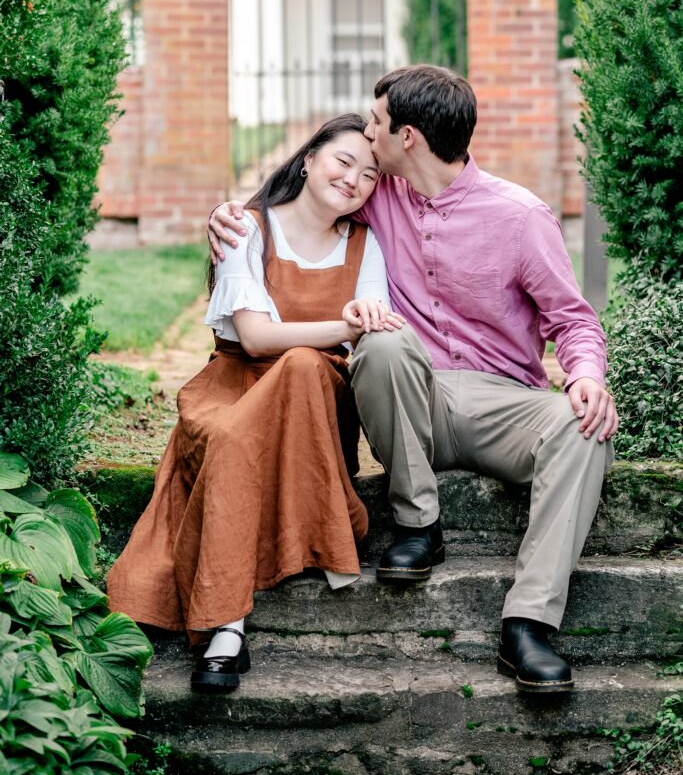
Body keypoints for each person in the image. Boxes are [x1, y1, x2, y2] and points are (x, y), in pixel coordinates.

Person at [209, 65, 619, 695]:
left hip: (501, 401)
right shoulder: (376, 191)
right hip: (408, 393)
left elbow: (573, 319)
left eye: (375, 124)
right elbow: (306, 195)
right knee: (383, 339)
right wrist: (229, 214)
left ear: (408, 139)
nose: (366, 137)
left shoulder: (520, 217)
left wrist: (587, 375)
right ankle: (419, 525)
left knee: (584, 425)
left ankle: (529, 624)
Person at [107, 114, 405, 692]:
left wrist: (344, 332)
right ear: (308, 159)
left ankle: (226, 623)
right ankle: (227, 625)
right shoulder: (247, 228)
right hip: (235, 384)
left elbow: (366, 326)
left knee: (297, 367)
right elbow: (255, 337)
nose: (354, 180)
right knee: (234, 432)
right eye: (343, 162)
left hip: (314, 402)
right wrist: (342, 326)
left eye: (369, 176)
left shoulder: (366, 247)